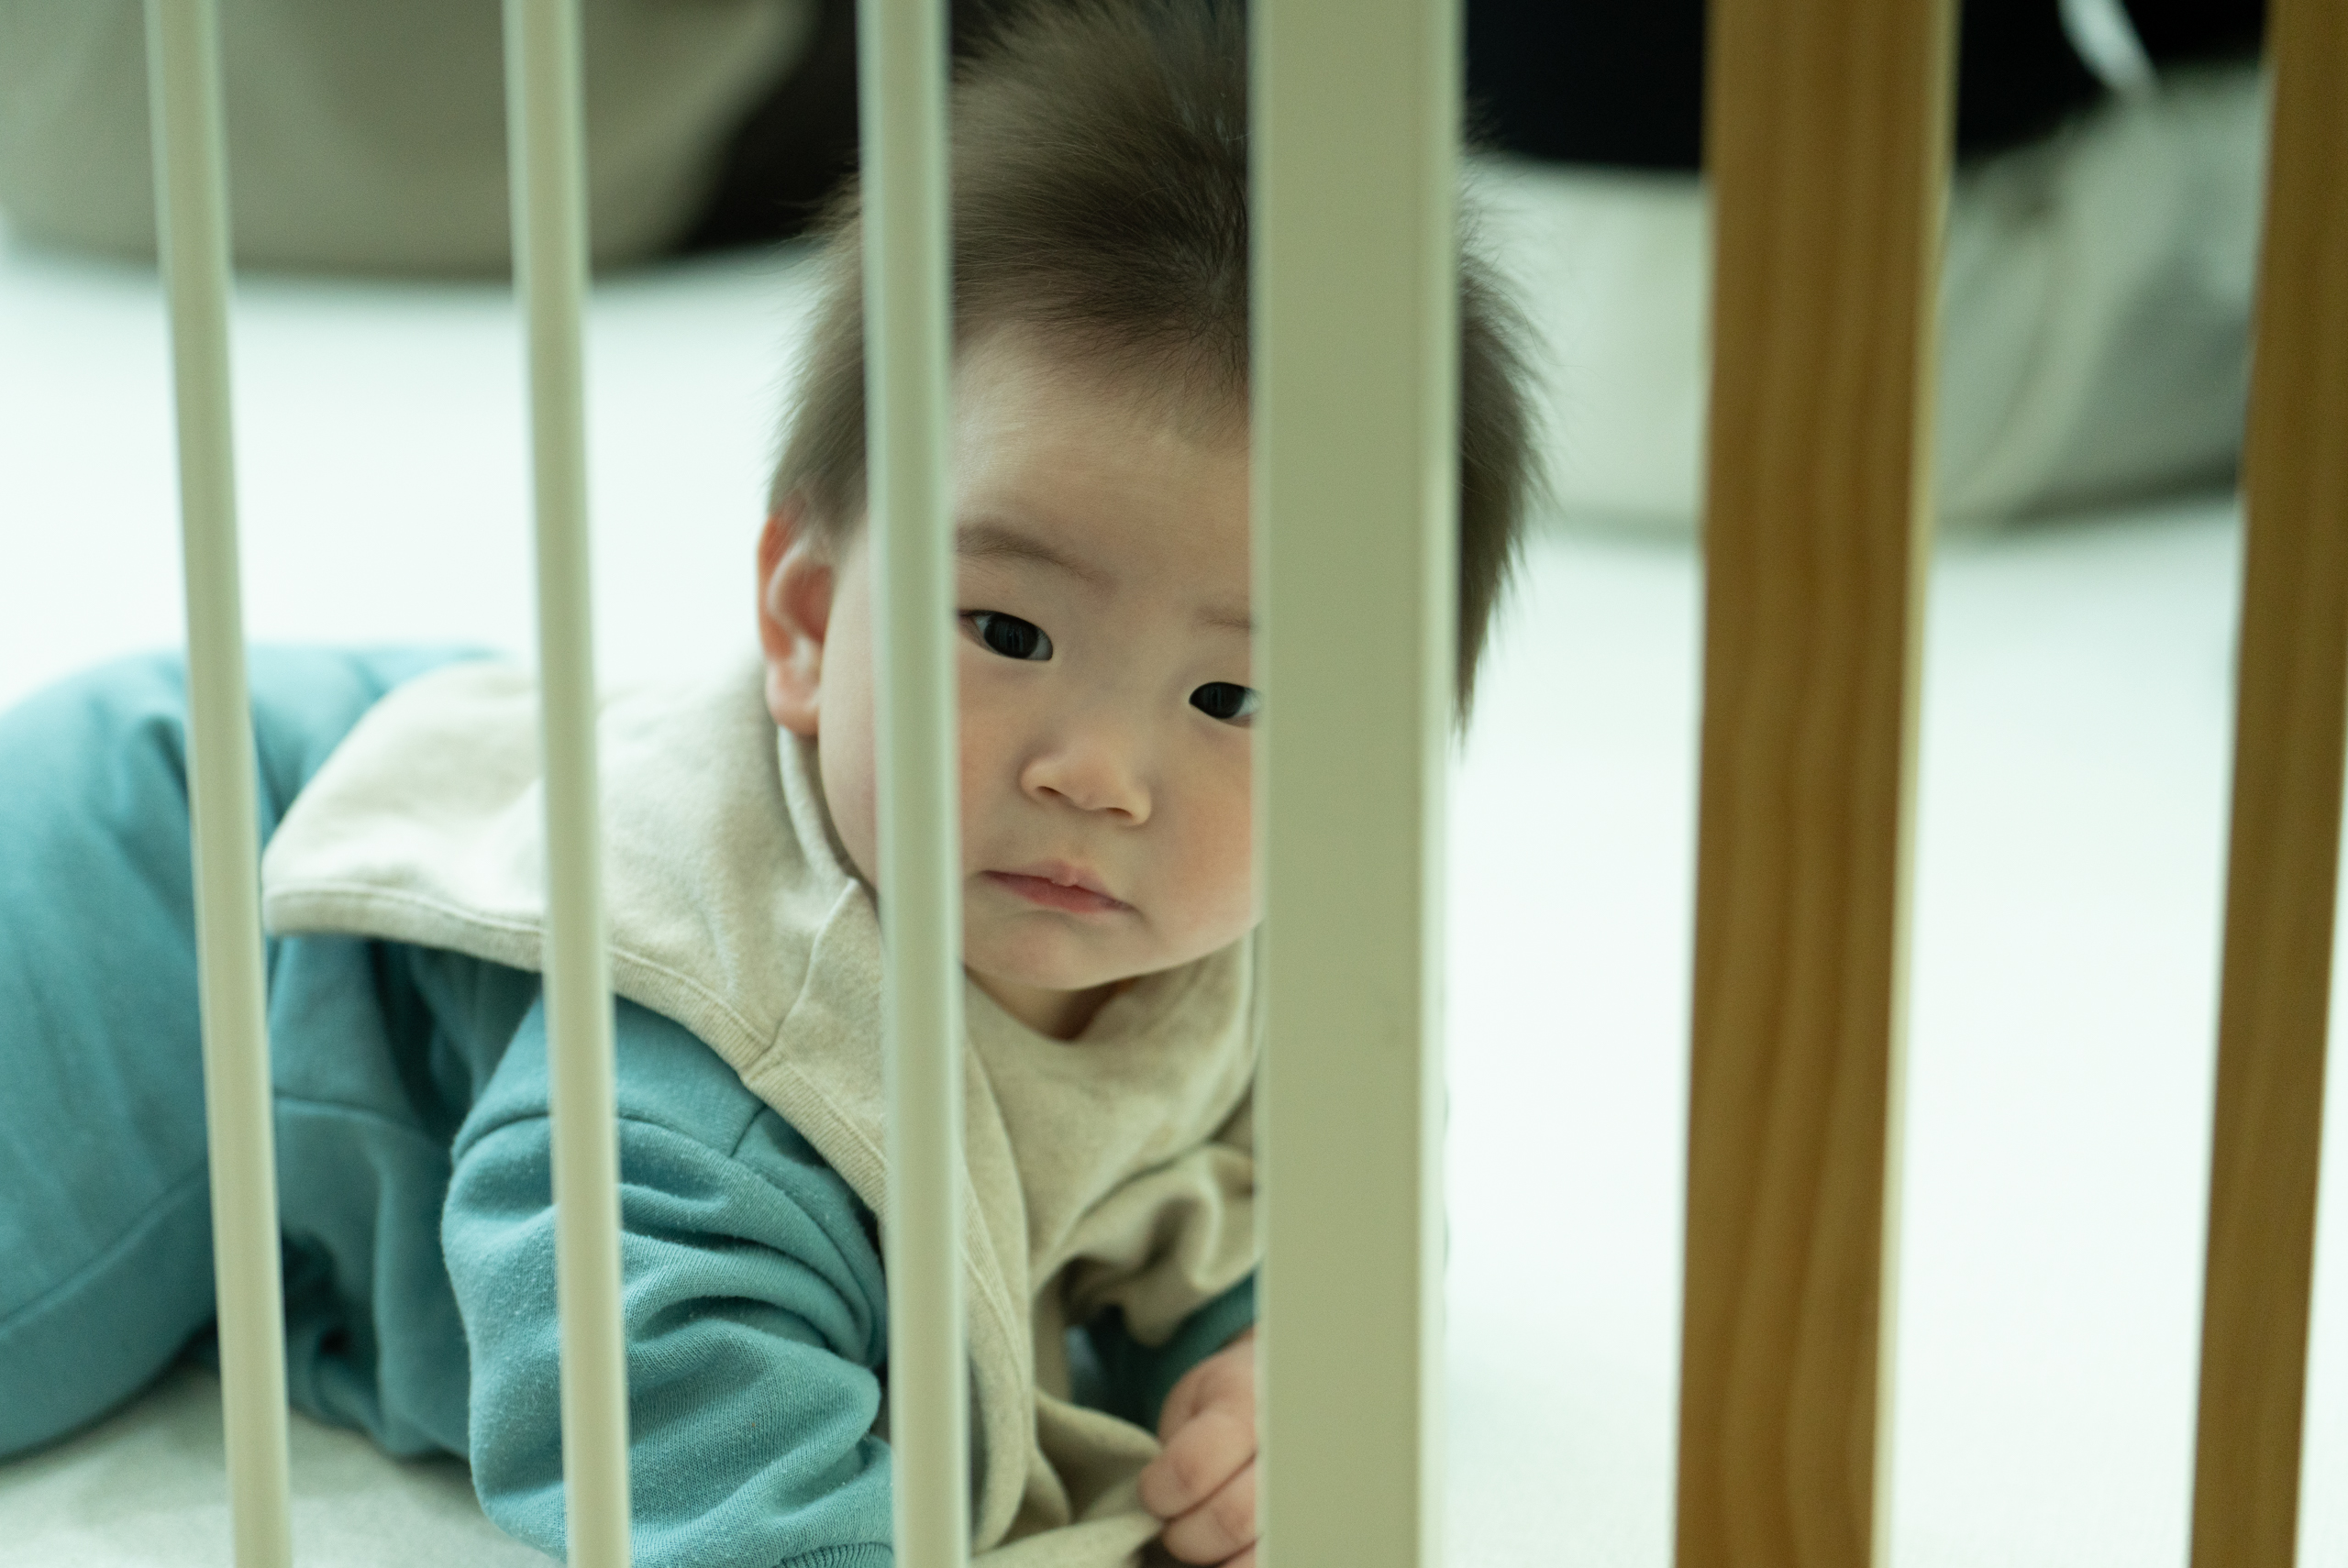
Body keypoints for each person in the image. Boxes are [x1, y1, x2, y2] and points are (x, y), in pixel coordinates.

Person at [0, 6, 1536, 1566]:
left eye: (1236, 697)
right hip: (184, 889)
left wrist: (1270, 1361)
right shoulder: (729, 1049)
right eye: (1008, 631)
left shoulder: (1272, 975)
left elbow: (1305, 1193)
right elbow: (657, 1434)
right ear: (805, 621)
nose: (1098, 773)